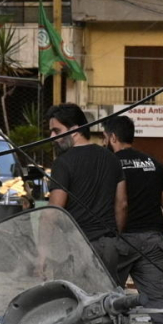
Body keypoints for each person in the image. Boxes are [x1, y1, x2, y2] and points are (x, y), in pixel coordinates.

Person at [102, 114, 163, 324]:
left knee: (109, 296)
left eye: (105, 136)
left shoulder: (109, 164)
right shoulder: (155, 165)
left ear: (113, 136)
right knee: (158, 297)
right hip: (153, 241)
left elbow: (117, 204)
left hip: (120, 241)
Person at [44, 102, 121, 242]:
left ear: (74, 131)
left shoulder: (62, 163)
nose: (51, 137)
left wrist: (42, 254)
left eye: (57, 131)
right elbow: (122, 204)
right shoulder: (112, 159)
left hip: (77, 246)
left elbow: (54, 212)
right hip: (109, 245)